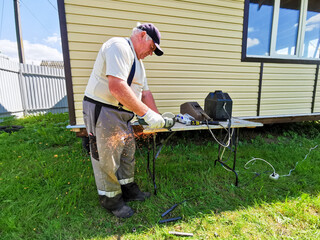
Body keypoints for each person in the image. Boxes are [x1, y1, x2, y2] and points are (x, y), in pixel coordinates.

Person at [82, 23, 165, 218]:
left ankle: (128, 189)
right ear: (143, 35)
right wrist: (147, 114)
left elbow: (145, 94)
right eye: (152, 47)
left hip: (125, 114)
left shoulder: (139, 65)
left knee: (128, 153)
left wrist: (158, 117)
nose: (151, 53)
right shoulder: (118, 47)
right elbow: (117, 87)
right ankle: (111, 200)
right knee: (107, 157)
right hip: (103, 109)